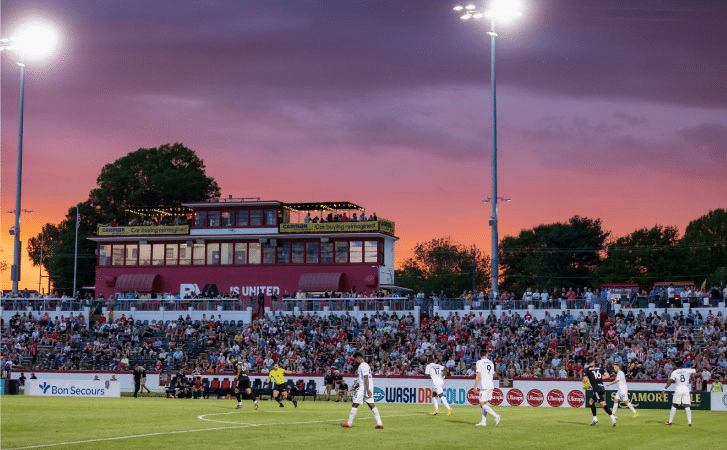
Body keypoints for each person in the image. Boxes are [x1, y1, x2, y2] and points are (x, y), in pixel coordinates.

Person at [341, 352, 383, 429]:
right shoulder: (364, 365)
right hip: (366, 388)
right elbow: (362, 380)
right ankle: (379, 423)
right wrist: (355, 387)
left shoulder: (363, 365)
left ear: (359, 358)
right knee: (372, 405)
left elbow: (366, 377)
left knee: (355, 404)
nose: (354, 361)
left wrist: (367, 390)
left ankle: (349, 423)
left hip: (364, 389)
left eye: (355, 359)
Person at [583, 357, 617, 427]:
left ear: (587, 363)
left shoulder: (587, 369)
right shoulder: (599, 368)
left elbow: (585, 380)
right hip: (601, 387)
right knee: (591, 402)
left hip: (596, 389)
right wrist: (598, 378)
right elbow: (607, 376)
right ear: (593, 362)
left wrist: (589, 383)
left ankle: (612, 417)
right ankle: (595, 418)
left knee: (602, 404)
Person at [662, 360, 696, 426]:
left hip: (678, 388)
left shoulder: (675, 372)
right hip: (686, 388)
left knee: (674, 405)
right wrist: (697, 361)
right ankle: (689, 422)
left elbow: (670, 381)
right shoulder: (687, 370)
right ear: (682, 365)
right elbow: (697, 370)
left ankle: (670, 421)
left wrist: (664, 389)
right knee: (686, 405)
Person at [474, 349, 500, 427]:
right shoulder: (491, 363)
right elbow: (492, 375)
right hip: (490, 384)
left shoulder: (479, 362)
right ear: (486, 355)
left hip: (484, 385)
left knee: (481, 403)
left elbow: (478, 374)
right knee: (484, 403)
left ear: (480, 355)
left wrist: (475, 385)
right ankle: (483, 421)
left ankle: (496, 415)